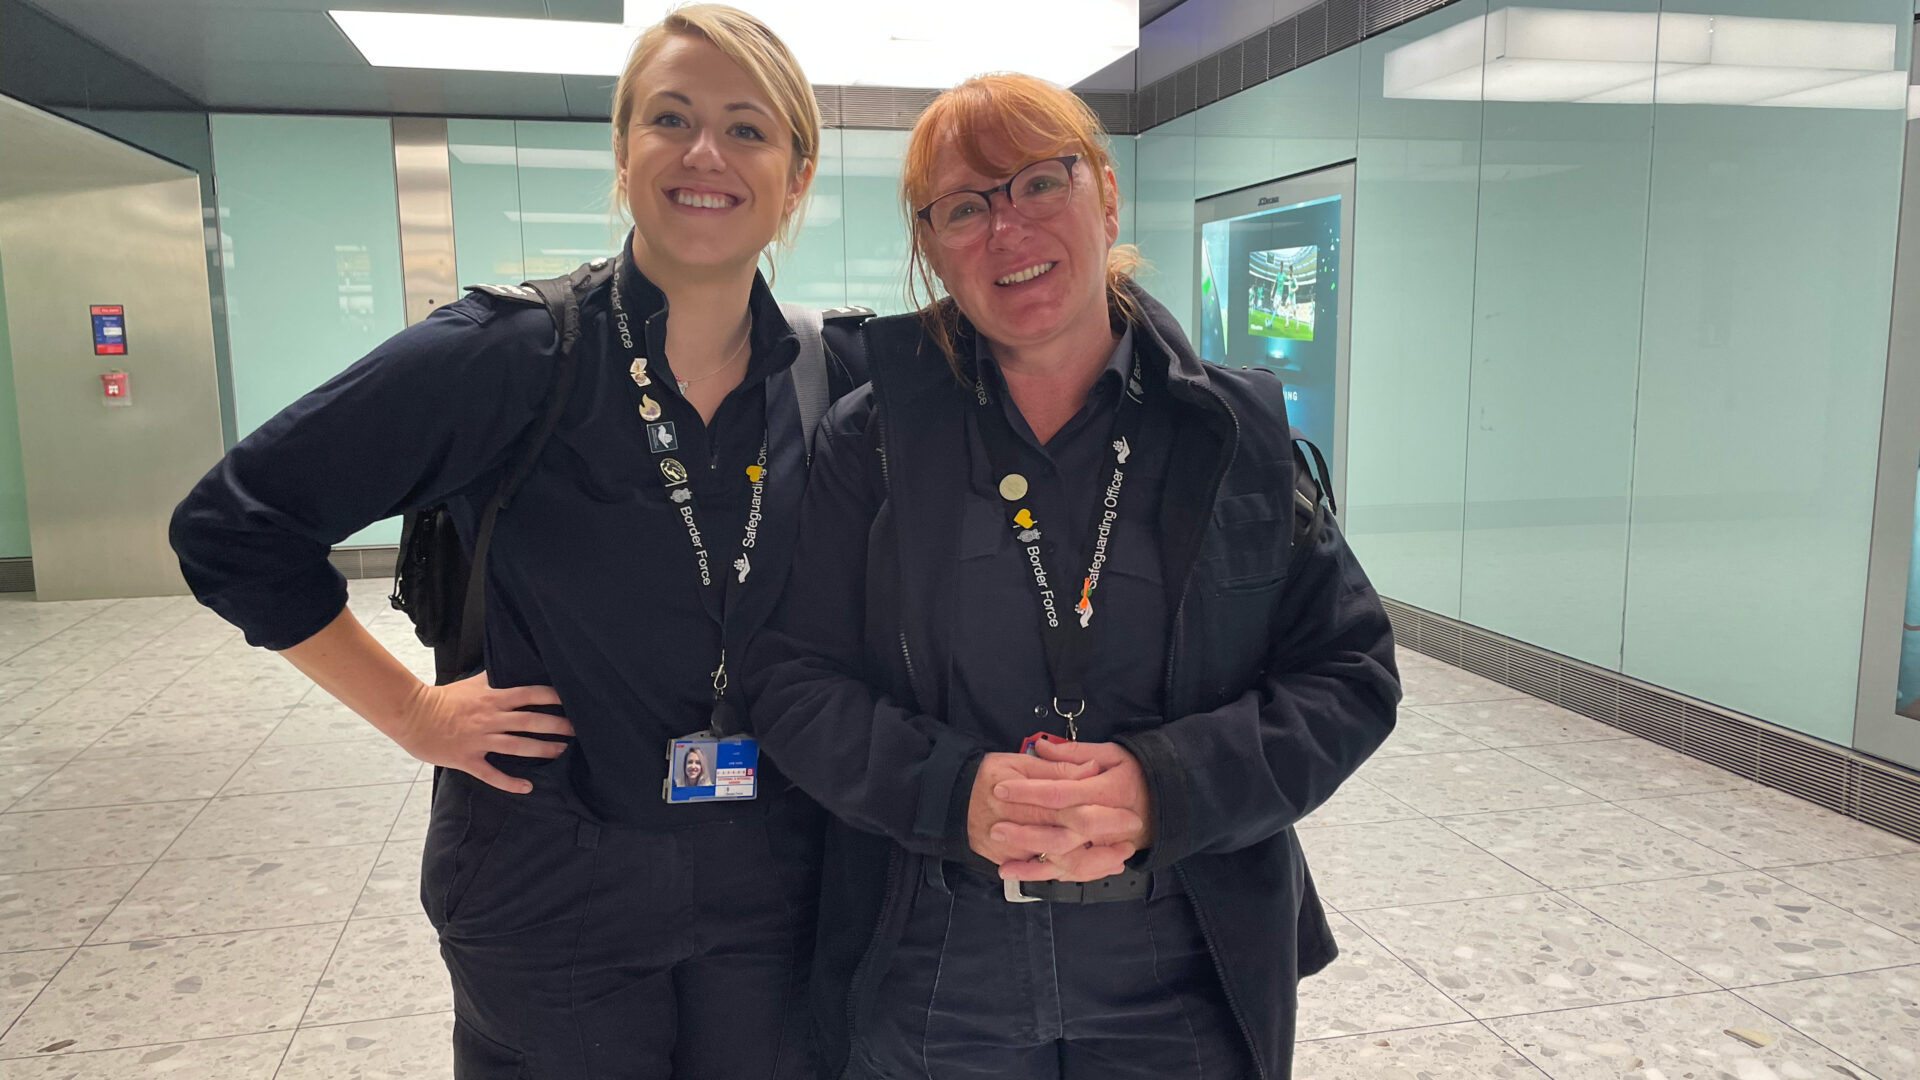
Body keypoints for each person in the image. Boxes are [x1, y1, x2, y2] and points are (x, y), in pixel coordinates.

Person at [169, 7, 865, 1077]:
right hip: (551, 894)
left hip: (771, 891)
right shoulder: (515, 354)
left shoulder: (830, 376)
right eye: (669, 118)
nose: (704, 154)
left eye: (748, 128)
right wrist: (409, 711)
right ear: (623, 152)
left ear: (796, 175)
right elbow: (233, 525)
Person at [747, 73, 1399, 1080]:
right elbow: (791, 683)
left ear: (1104, 195)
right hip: (936, 966)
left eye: (1039, 183)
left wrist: (1166, 785)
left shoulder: (1235, 437)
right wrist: (950, 790)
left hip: (1184, 966)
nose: (1008, 228)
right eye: (966, 205)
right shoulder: (869, 443)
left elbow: (1350, 676)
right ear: (931, 249)